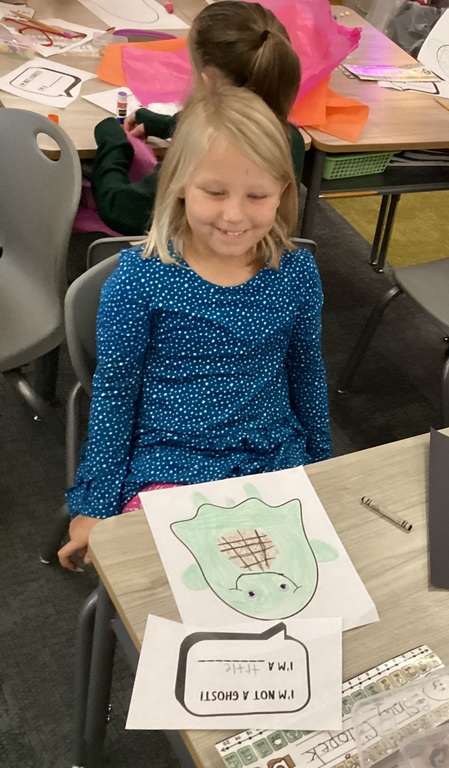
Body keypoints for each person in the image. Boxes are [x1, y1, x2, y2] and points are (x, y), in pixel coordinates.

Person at [58, 85, 332, 571]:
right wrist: (93, 505)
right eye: (215, 192)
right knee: (175, 590)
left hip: (273, 455)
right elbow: (114, 395)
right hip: (172, 461)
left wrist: (324, 466)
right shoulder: (141, 280)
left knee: (299, 591)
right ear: (180, 182)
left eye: (257, 196)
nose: (234, 215)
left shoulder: (295, 272)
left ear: (282, 193)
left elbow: (306, 376)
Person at [90, 0, 304, 237]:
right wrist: (166, 124)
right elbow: (226, 125)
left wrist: (113, 142)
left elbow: (118, 208)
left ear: (208, 80)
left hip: (184, 264)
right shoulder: (290, 138)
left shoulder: (204, 154)